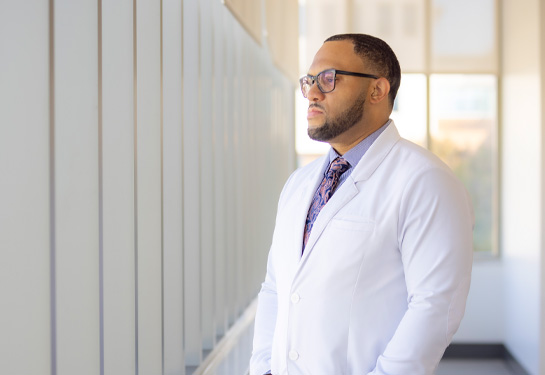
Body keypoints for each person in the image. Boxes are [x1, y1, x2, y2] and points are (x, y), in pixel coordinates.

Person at [249, 33, 474, 375]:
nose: (312, 92)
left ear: (377, 90)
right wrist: (262, 366)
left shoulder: (426, 180)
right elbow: (275, 286)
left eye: (328, 79)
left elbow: (435, 307)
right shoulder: (298, 184)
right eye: (309, 81)